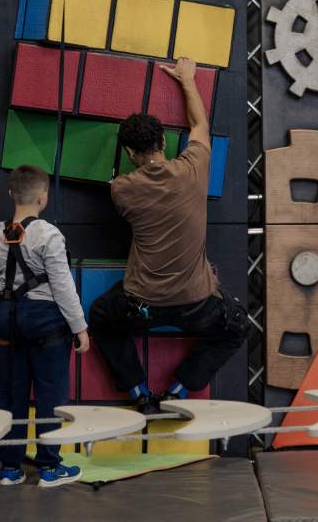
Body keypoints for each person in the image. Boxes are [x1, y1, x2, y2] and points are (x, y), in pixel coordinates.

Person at [90, 58, 249, 414]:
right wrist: (187, 80)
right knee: (237, 328)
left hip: (140, 306)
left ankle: (138, 393)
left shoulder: (121, 189)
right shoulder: (193, 169)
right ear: (164, 140)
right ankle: (179, 390)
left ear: (130, 154)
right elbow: (199, 124)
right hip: (197, 304)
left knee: (100, 317)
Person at [0, 165, 90, 488]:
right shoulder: (48, 234)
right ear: (43, 197)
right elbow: (62, 286)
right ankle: (48, 468)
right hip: (46, 323)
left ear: (11, 194)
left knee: (10, 394)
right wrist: (80, 328)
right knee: (50, 395)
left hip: (7, 320)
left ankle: (10, 468)